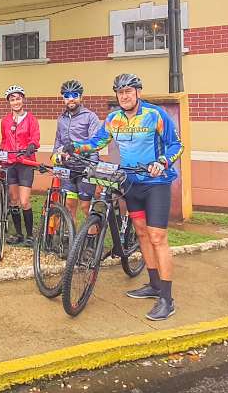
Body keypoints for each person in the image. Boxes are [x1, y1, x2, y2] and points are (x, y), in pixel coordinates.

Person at [64, 73, 183, 321]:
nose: (124, 96)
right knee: (140, 232)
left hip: (156, 183)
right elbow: (98, 141)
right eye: (120, 92)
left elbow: (176, 145)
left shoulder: (155, 115)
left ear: (138, 92)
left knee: (157, 237)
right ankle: (154, 285)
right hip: (130, 183)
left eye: (128, 91)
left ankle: (167, 299)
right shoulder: (113, 118)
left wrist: (162, 161)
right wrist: (75, 147)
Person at [52, 80, 102, 221]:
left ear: (81, 97)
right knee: (69, 206)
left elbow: (94, 144)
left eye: (75, 95)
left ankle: (92, 241)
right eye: (67, 96)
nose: (71, 98)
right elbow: (58, 143)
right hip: (68, 169)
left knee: (86, 207)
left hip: (85, 168)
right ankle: (72, 239)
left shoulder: (90, 117)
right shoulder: (61, 119)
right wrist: (56, 157)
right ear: (63, 98)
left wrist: (92, 166)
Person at [0, 85, 40, 247]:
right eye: (12, 99)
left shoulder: (31, 119)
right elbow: (4, 140)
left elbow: (35, 138)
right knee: (14, 200)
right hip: (10, 163)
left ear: (23, 99)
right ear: (9, 102)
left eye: (18, 98)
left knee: (24, 201)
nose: (15, 102)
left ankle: (30, 235)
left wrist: (31, 146)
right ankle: (18, 233)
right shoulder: (5, 121)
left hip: (25, 163)